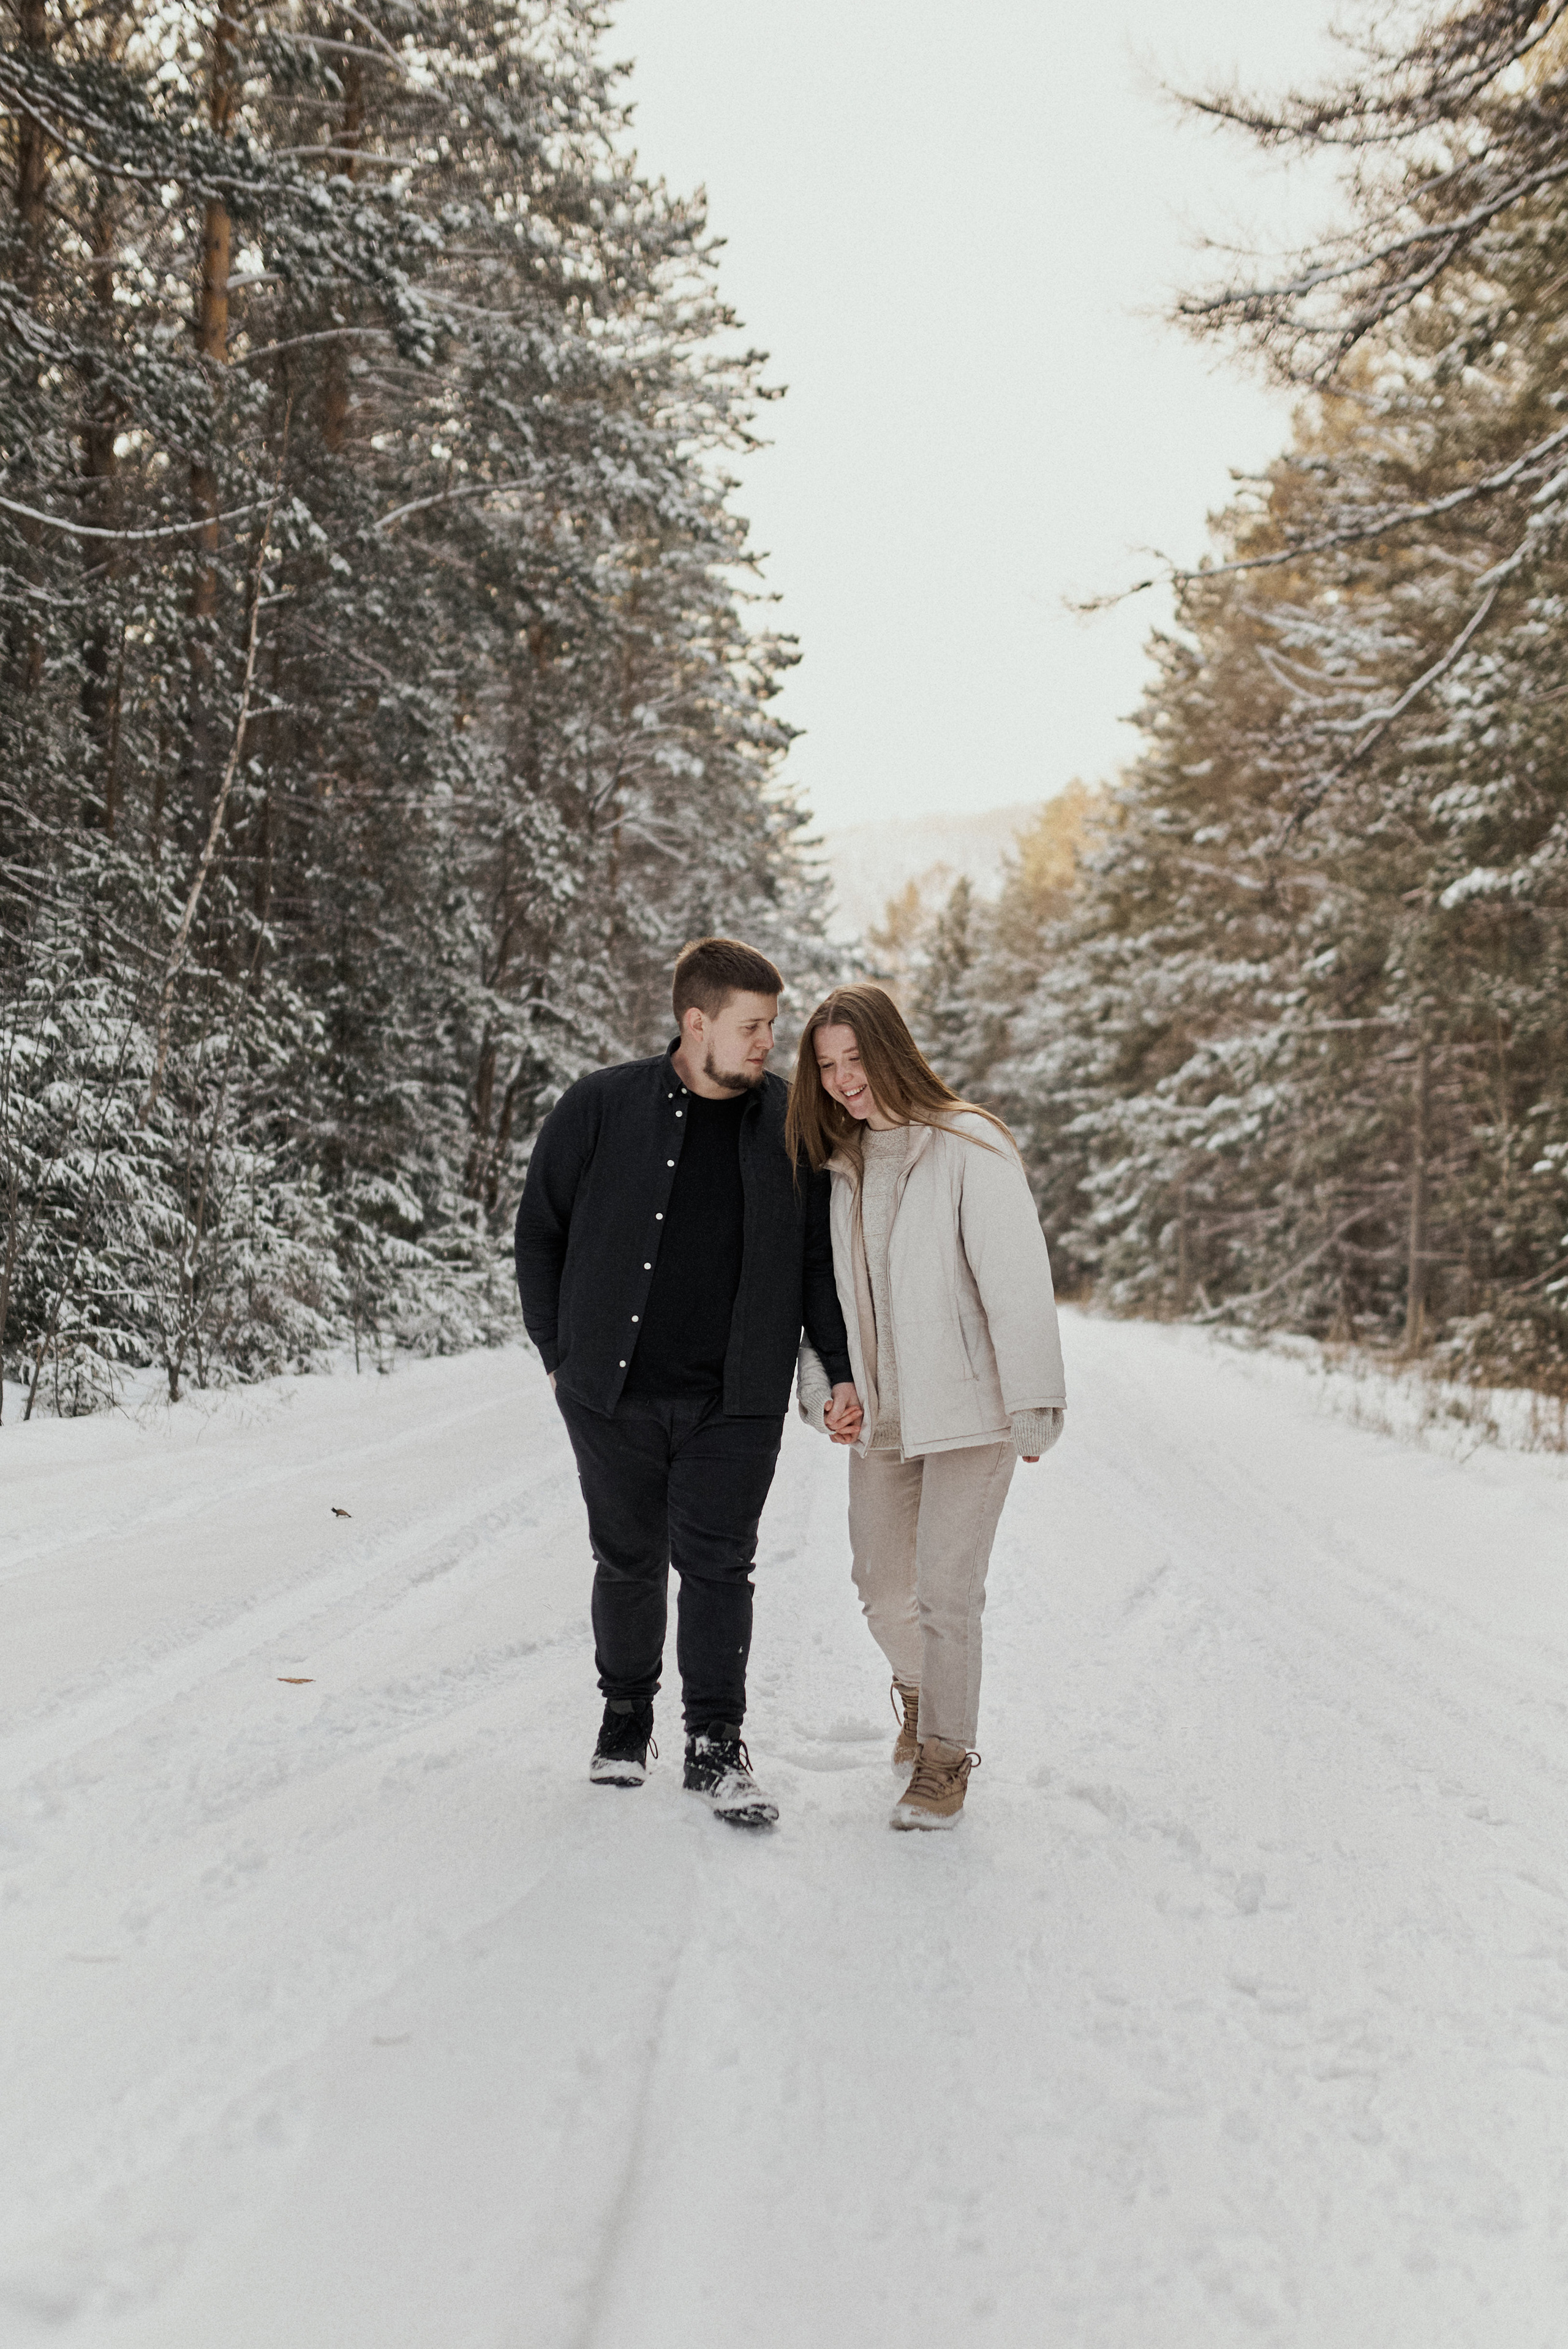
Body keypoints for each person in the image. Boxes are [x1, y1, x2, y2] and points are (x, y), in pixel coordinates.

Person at [514, 937, 862, 1828]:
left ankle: (715, 1743)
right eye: (752, 1028)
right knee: (627, 1558)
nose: (766, 1045)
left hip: (733, 1399)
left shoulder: (789, 1121)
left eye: (772, 1028)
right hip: (611, 1391)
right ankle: (625, 1720)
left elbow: (819, 1260)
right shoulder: (600, 1106)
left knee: (718, 1566)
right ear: (695, 1021)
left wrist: (841, 1370)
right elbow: (540, 1231)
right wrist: (560, 1356)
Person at [788, 984, 1065, 1831]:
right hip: (885, 1419)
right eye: (827, 1066)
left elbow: (1016, 1281)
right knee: (880, 1586)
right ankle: (921, 1689)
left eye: (855, 1060)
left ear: (892, 1049)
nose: (842, 1080)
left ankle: (946, 1755)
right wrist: (822, 1386)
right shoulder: (840, 1165)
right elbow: (823, 1296)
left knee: (948, 1590)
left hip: (972, 1413)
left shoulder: (966, 1142)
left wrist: (1034, 1403)